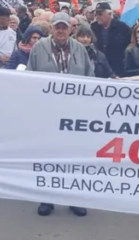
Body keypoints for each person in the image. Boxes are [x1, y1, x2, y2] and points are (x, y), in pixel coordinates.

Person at [26, 12, 94, 217]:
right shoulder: (39, 48)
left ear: (71, 29)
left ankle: (74, 198)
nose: (61, 30)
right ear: (52, 28)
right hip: (48, 112)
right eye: (58, 27)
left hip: (74, 112)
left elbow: (89, 76)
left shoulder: (80, 49)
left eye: (65, 27)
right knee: (48, 155)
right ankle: (47, 198)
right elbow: (30, 77)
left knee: (74, 156)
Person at [90, 3, 131, 76]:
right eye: (96, 14)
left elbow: (132, 44)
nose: (97, 17)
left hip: (118, 68)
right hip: (100, 70)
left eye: (100, 14)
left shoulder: (122, 27)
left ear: (109, 14)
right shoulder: (93, 27)